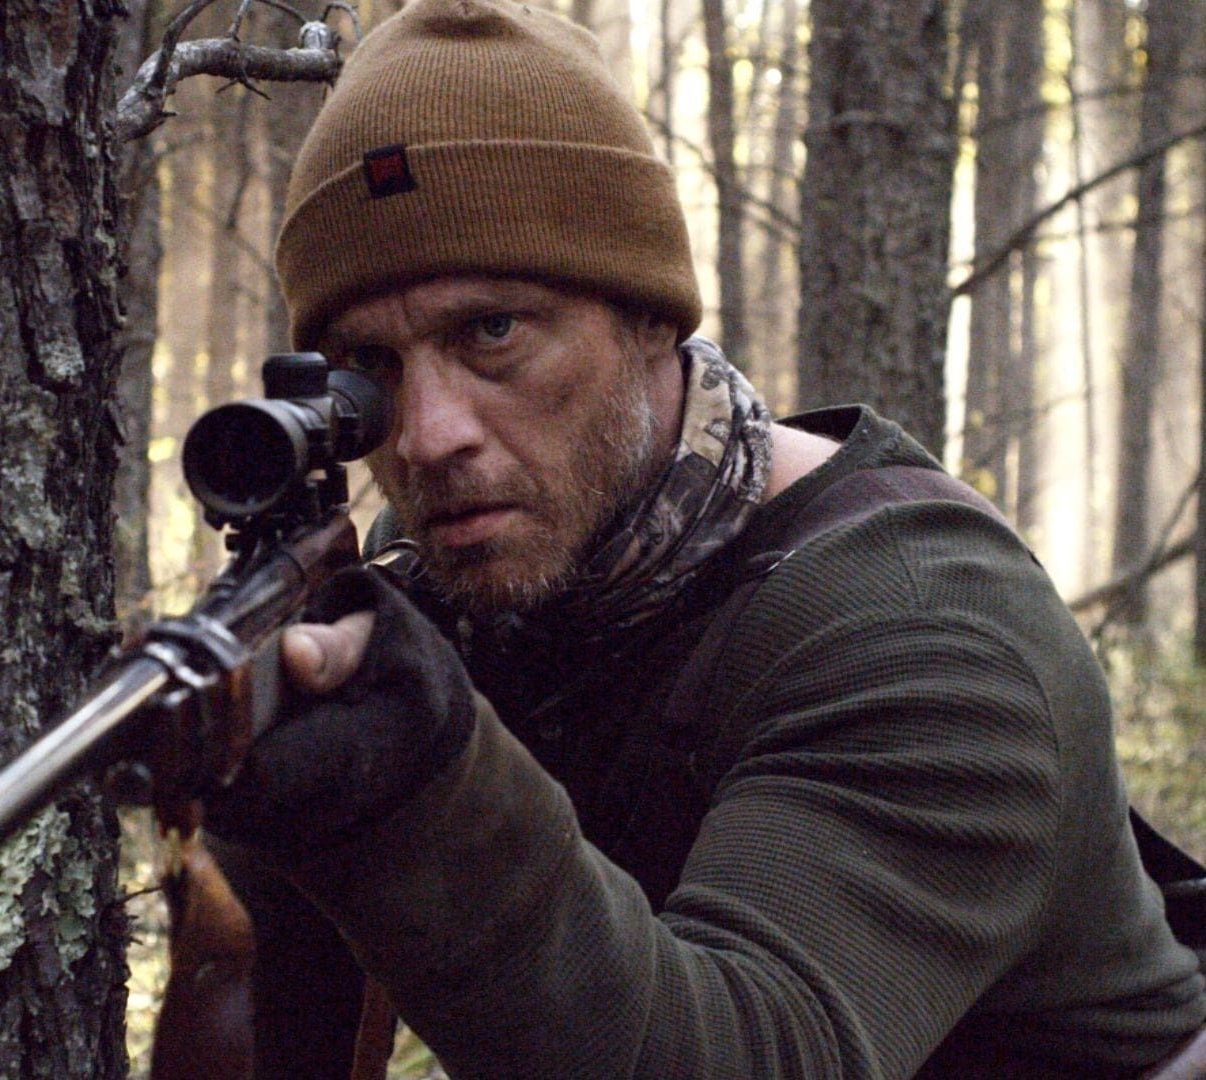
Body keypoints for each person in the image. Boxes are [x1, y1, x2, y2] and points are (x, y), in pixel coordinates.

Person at [201, 0, 1206, 1075]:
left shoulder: (923, 630)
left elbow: (750, 1052)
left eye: (492, 331)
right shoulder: (462, 562)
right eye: (372, 368)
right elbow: (272, 998)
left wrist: (423, 788)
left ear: (648, 318)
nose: (429, 434)